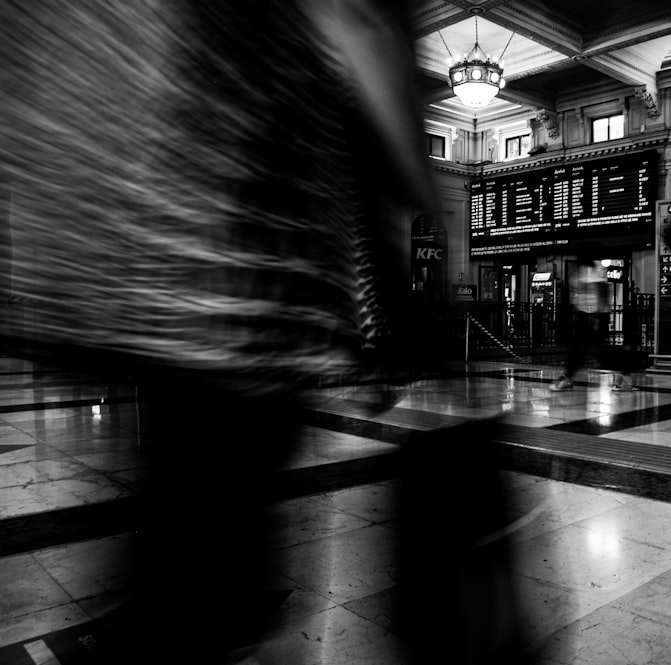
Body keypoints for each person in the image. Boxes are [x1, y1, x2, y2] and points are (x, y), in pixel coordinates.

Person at [0, 1, 441, 663]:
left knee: (185, 522)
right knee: (218, 533)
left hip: (145, 257)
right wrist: (428, 212)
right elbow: (362, 31)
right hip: (248, 265)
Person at [549, 252, 634, 392]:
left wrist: (597, 320)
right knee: (585, 351)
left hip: (593, 318)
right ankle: (623, 372)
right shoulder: (584, 271)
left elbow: (599, 296)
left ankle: (623, 372)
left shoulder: (593, 270)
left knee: (596, 351)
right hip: (588, 317)